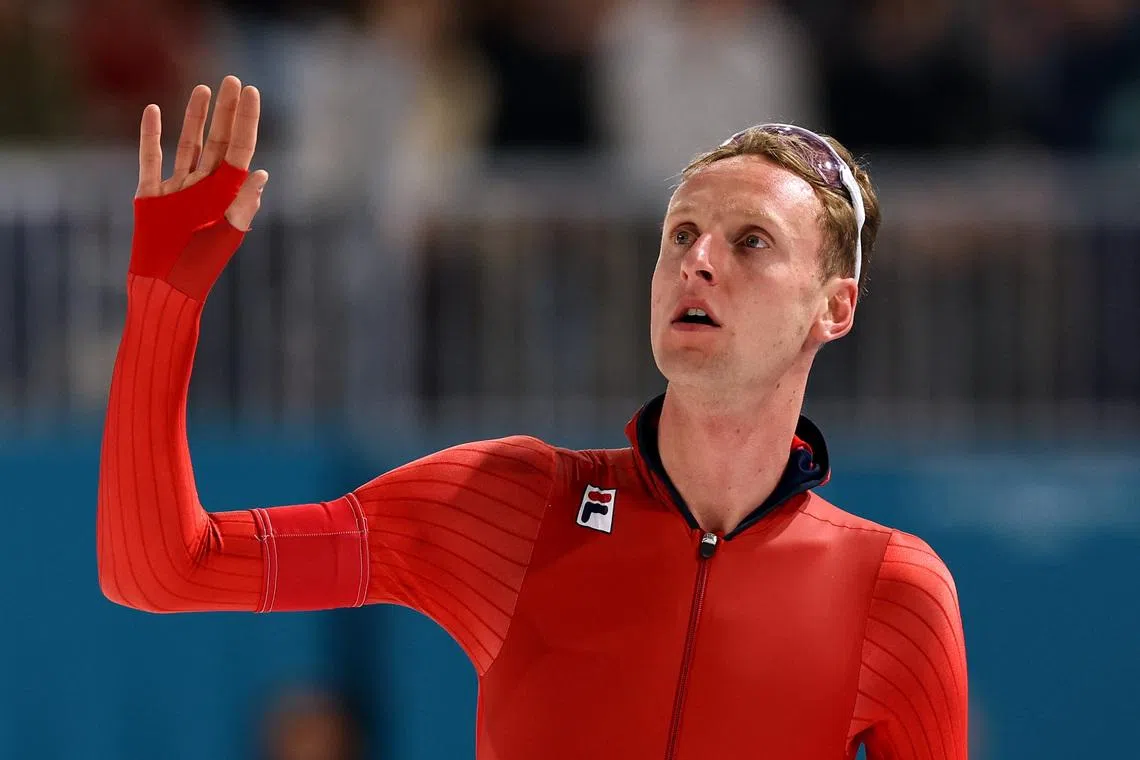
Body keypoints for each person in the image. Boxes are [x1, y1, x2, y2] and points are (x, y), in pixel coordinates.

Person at [97, 76, 968, 760]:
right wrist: (164, 301)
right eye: (680, 233)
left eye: (750, 242)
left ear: (834, 308)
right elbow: (163, 570)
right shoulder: (503, 507)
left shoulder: (894, 594)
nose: (698, 260)